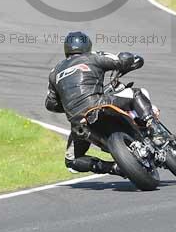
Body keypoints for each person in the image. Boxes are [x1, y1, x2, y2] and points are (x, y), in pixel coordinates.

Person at [45, 31, 161, 175]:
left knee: (72, 161)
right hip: (99, 103)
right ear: (87, 45)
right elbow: (120, 61)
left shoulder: (54, 72)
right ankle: (154, 130)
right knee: (136, 93)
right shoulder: (92, 57)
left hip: (79, 121)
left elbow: (50, 104)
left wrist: (71, 105)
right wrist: (130, 59)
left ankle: (113, 168)